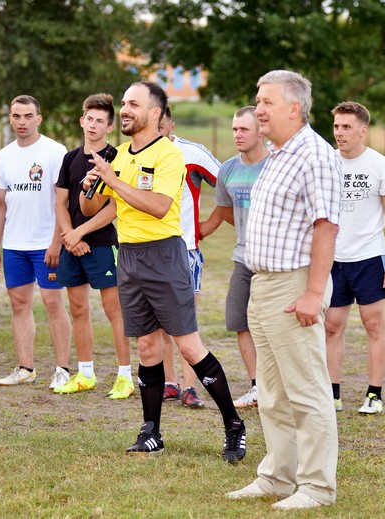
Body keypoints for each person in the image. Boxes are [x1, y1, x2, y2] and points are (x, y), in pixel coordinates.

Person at [79, 81, 245, 462]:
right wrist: (90, 187)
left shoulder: (170, 155)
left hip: (166, 255)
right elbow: (93, 211)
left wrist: (113, 179)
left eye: (133, 104)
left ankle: (234, 425)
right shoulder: (119, 154)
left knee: (188, 345)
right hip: (130, 256)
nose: (124, 109)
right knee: (148, 346)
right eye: (123, 103)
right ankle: (151, 431)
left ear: (155, 113)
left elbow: (156, 206)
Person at [226, 70, 340, 510]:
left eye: (266, 101)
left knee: (308, 390)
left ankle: (315, 487)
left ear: (294, 108)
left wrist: (313, 294)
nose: (258, 108)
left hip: (294, 287)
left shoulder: (314, 155)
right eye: (258, 100)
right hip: (263, 284)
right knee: (271, 392)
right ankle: (276, 476)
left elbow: (326, 226)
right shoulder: (277, 153)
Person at [324, 101, 385, 415]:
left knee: (373, 324)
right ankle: (332, 394)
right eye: (336, 127)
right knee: (332, 326)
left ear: (362, 130)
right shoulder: (326, 163)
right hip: (333, 259)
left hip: (370, 257)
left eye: (346, 127)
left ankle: (374, 394)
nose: (340, 133)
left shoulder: (380, 165)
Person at [52, 93, 134, 399]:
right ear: (81, 120)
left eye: (100, 121)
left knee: (114, 310)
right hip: (72, 245)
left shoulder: (118, 157)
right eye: (89, 119)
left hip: (102, 244)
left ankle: (125, 376)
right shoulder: (70, 158)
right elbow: (60, 202)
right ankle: (85, 373)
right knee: (77, 308)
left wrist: (81, 233)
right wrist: (69, 236)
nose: (93, 125)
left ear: (110, 126)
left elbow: (115, 207)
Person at [0, 95, 72, 390]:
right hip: (14, 245)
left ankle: (62, 368)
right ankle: (26, 368)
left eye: (27, 116)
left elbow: (61, 202)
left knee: (52, 302)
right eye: (16, 116)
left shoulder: (54, 151)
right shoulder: (3, 156)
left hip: (45, 244)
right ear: (10, 118)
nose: (21, 122)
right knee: (19, 304)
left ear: (39, 118)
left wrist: (56, 242)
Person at [199, 106, 268, 408]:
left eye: (244, 129)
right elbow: (225, 211)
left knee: (274, 326)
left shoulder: (275, 165)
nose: (237, 135)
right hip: (243, 258)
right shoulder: (227, 169)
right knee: (239, 321)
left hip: (275, 262)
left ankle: (281, 389)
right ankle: (257, 388)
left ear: (260, 131)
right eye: (234, 129)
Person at [156, 105, 220, 409]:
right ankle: (169, 382)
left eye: (161, 126)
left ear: (171, 126)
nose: (156, 132)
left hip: (185, 249)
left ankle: (190, 386)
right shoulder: (133, 154)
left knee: (185, 319)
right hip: (149, 248)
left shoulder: (191, 154)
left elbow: (228, 185)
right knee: (158, 322)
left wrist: (208, 224)